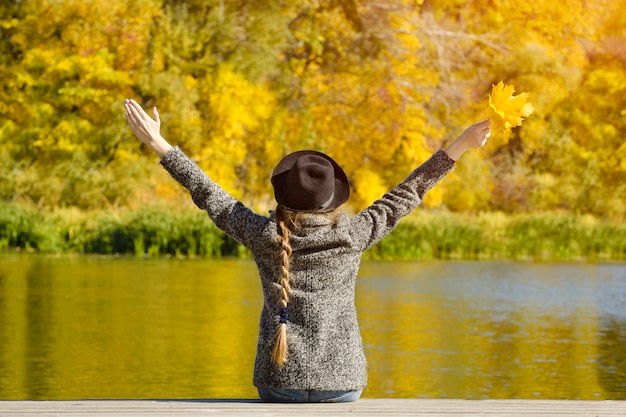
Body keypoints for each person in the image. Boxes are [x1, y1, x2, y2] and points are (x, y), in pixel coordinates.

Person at [124, 99, 491, 403]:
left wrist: (161, 145)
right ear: (332, 198)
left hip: (277, 384)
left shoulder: (264, 233)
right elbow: (407, 193)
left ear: (283, 194)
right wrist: (459, 145)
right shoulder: (353, 233)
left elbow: (211, 196)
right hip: (342, 386)